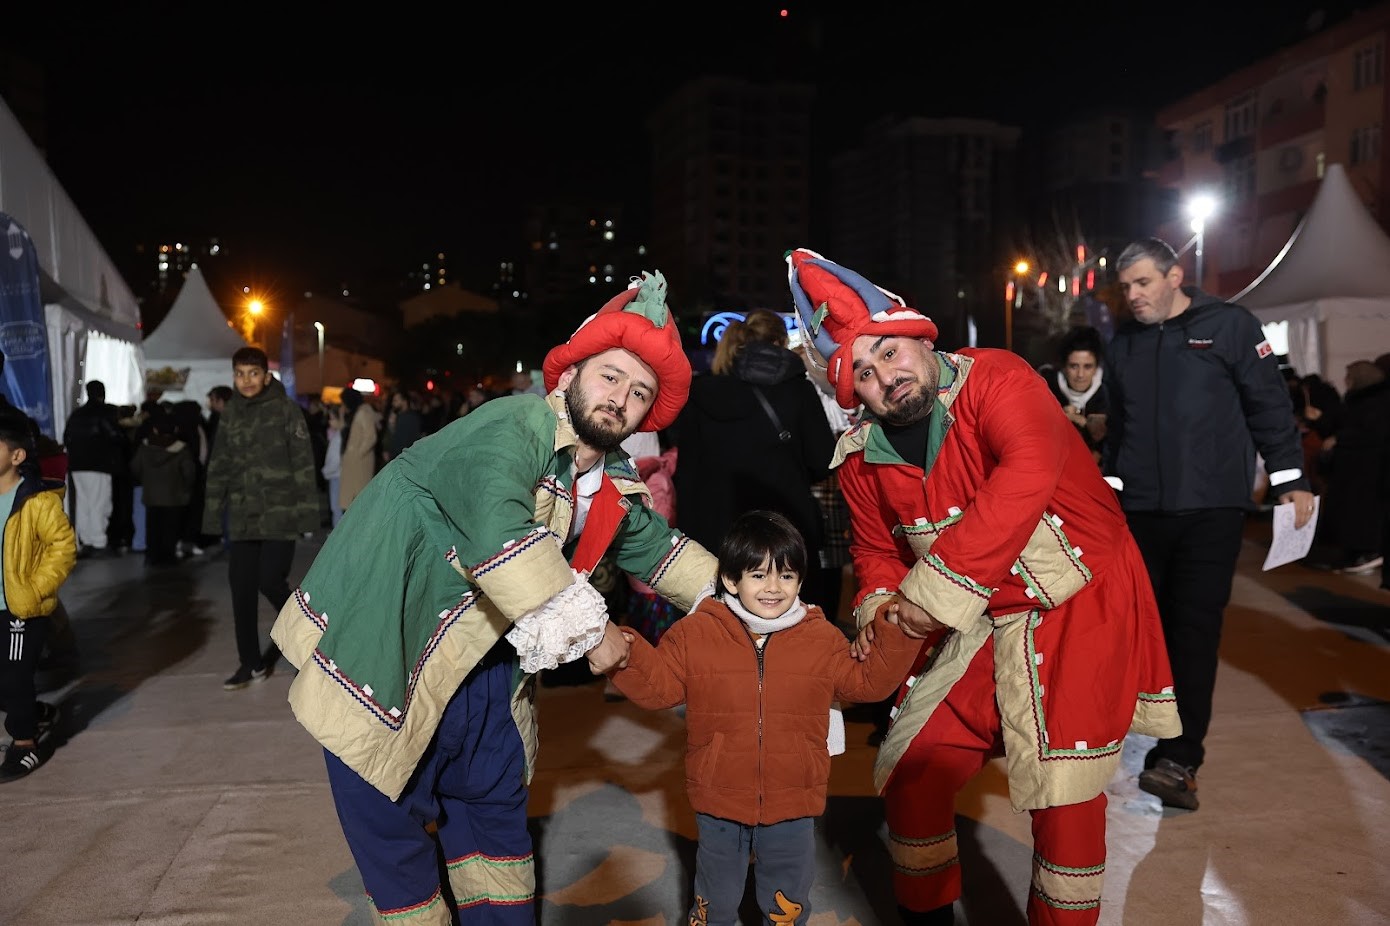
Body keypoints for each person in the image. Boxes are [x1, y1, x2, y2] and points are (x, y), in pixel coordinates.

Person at [267, 271, 719, 923]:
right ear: (568, 378)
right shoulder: (512, 424)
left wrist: (743, 602)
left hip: (492, 682)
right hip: (393, 660)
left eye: (640, 392)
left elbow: (661, 551)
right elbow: (497, 527)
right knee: (400, 865)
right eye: (611, 376)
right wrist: (596, 633)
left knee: (496, 855)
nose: (622, 398)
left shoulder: (611, 484)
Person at [783, 247, 1180, 926]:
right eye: (864, 373)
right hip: (977, 617)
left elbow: (1024, 477)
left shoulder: (999, 378)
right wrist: (882, 619)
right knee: (914, 768)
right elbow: (877, 557)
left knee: (1065, 795)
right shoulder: (859, 461)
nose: (885, 377)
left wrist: (922, 601)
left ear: (916, 336)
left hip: (1075, 602)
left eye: (888, 352)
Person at [602, 509, 919, 925]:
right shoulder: (696, 633)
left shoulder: (820, 638)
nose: (773, 587)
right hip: (718, 794)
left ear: (801, 581)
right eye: (758, 575)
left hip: (793, 796)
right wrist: (625, 653)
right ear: (731, 580)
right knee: (715, 894)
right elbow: (659, 686)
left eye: (786, 576)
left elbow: (866, 683)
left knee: (786, 899)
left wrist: (899, 633)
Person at [1105, 237, 1315, 812]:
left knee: (1192, 633)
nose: (1134, 296)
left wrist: (1290, 479)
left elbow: (1268, 406)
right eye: (1126, 287)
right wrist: (1107, 492)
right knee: (1138, 631)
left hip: (1211, 512)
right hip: (1141, 513)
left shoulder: (1228, 326)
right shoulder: (1124, 341)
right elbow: (1120, 429)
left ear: (1175, 276)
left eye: (1143, 283)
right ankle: (1127, 730)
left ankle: (1178, 757)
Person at [673, 308, 838, 607]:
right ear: (779, 342)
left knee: (721, 635)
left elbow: (686, 472)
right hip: (784, 534)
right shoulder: (798, 391)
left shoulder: (701, 392)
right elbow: (823, 460)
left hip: (713, 538)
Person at [201, 347, 319, 691]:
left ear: (266, 377)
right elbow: (219, 465)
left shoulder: (286, 410)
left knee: (270, 580)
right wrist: (212, 515)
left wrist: (307, 515)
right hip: (242, 516)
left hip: (280, 514)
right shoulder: (231, 413)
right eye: (240, 374)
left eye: (253, 373)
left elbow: (303, 464)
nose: (246, 380)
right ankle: (250, 663)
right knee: (241, 588)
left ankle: (311, 646)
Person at [0, 413, 77, 782]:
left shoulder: (36, 501)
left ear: (16, 457)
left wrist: (34, 589)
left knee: (15, 677)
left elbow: (62, 547)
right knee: (6, 683)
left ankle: (25, 743)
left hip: (20, 608)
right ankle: (35, 712)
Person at [62, 380, 128, 558]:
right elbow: (115, 435)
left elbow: (66, 438)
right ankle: (99, 542)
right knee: (99, 503)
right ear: (102, 393)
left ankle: (86, 541)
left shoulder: (76, 414)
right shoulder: (104, 413)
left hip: (76, 465)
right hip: (99, 465)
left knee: (83, 504)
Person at [130, 406, 198, 568]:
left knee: (153, 527)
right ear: (175, 429)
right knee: (171, 528)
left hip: (151, 495)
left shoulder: (145, 447)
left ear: (154, 429)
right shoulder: (181, 449)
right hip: (175, 495)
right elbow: (189, 472)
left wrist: (146, 480)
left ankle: (152, 556)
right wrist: (186, 488)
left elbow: (135, 468)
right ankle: (168, 557)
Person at [1045, 326, 1109, 465]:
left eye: (1087, 367)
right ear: (1064, 366)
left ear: (1097, 367)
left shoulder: (1107, 395)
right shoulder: (1046, 389)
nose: (1080, 375)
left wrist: (1083, 423)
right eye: (1074, 366)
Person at [336, 386, 380, 511]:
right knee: (351, 501)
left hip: (359, 464)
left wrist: (356, 453)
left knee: (358, 502)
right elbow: (347, 431)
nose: (343, 405)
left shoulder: (363, 413)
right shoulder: (354, 413)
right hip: (352, 463)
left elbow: (371, 437)